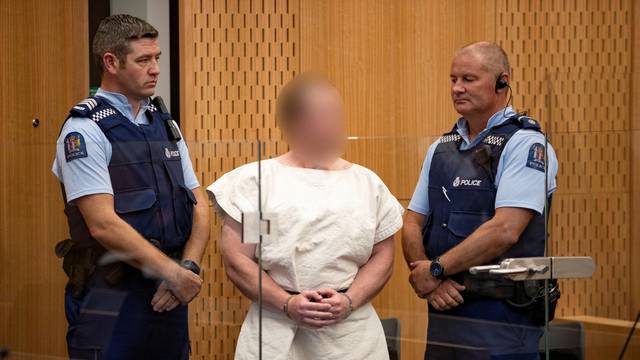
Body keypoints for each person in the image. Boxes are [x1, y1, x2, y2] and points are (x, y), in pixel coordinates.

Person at [207, 73, 404, 359]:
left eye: (337, 114)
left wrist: (349, 300)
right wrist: (287, 303)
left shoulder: (366, 184)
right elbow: (239, 258)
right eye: (324, 115)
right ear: (295, 122)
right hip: (276, 329)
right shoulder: (262, 183)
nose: (335, 124)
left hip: (352, 334)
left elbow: (383, 256)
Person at [52, 14, 210, 359]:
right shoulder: (84, 130)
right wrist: (174, 273)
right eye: (143, 60)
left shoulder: (164, 124)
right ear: (111, 62)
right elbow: (102, 224)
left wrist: (188, 269)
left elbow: (198, 202)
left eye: (157, 59)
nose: (155, 69)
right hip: (111, 295)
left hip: (168, 294)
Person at [402, 42, 559, 359]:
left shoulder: (525, 144)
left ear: (502, 82)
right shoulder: (440, 148)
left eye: (468, 79)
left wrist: (434, 271)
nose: (457, 88)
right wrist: (431, 280)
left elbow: (505, 230)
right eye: (452, 79)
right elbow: (411, 222)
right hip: (444, 307)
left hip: (502, 315)